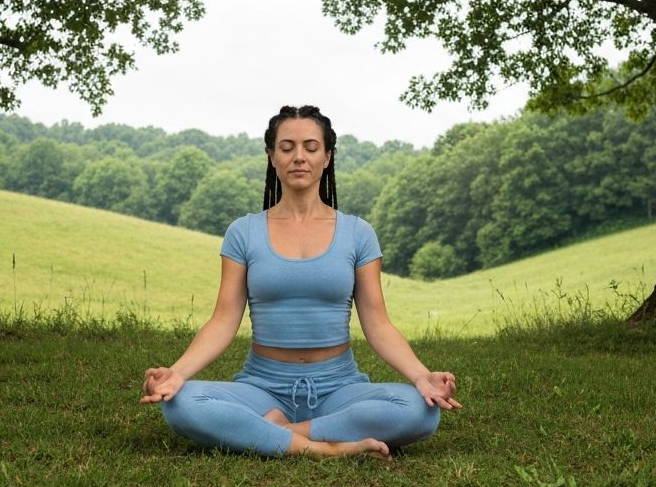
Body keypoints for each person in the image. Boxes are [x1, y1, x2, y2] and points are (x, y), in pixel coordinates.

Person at [140, 105, 461, 459]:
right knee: (181, 403)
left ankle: (280, 432)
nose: (299, 157)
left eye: (310, 147)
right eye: (287, 147)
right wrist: (176, 374)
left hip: (339, 386)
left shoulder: (358, 234)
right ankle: (325, 449)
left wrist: (420, 376)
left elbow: (377, 322)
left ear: (327, 156)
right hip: (263, 386)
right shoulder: (243, 232)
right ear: (271, 156)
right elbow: (223, 320)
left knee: (420, 412)